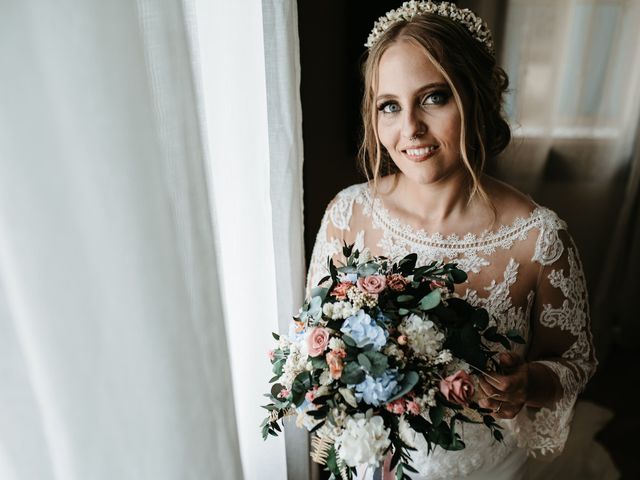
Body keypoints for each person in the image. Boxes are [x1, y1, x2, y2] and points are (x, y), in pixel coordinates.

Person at [306, 1, 597, 479]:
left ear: (476, 98)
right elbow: (320, 355)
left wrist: (526, 382)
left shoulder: (538, 238)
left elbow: (573, 362)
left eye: (434, 97)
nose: (410, 129)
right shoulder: (348, 214)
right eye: (390, 106)